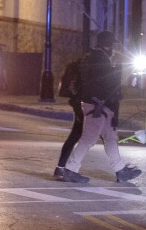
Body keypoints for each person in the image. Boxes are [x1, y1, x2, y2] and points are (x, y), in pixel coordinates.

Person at [60, 31, 141, 184]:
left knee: (110, 138)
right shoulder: (100, 61)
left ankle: (120, 170)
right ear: (108, 45)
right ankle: (70, 169)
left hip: (100, 105)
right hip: (97, 106)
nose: (114, 49)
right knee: (88, 138)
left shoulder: (94, 57)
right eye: (113, 46)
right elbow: (106, 85)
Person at [52, 56, 85, 179]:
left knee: (76, 135)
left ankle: (62, 167)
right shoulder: (94, 62)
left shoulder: (83, 62)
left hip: (80, 104)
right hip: (86, 105)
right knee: (85, 137)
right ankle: (69, 168)